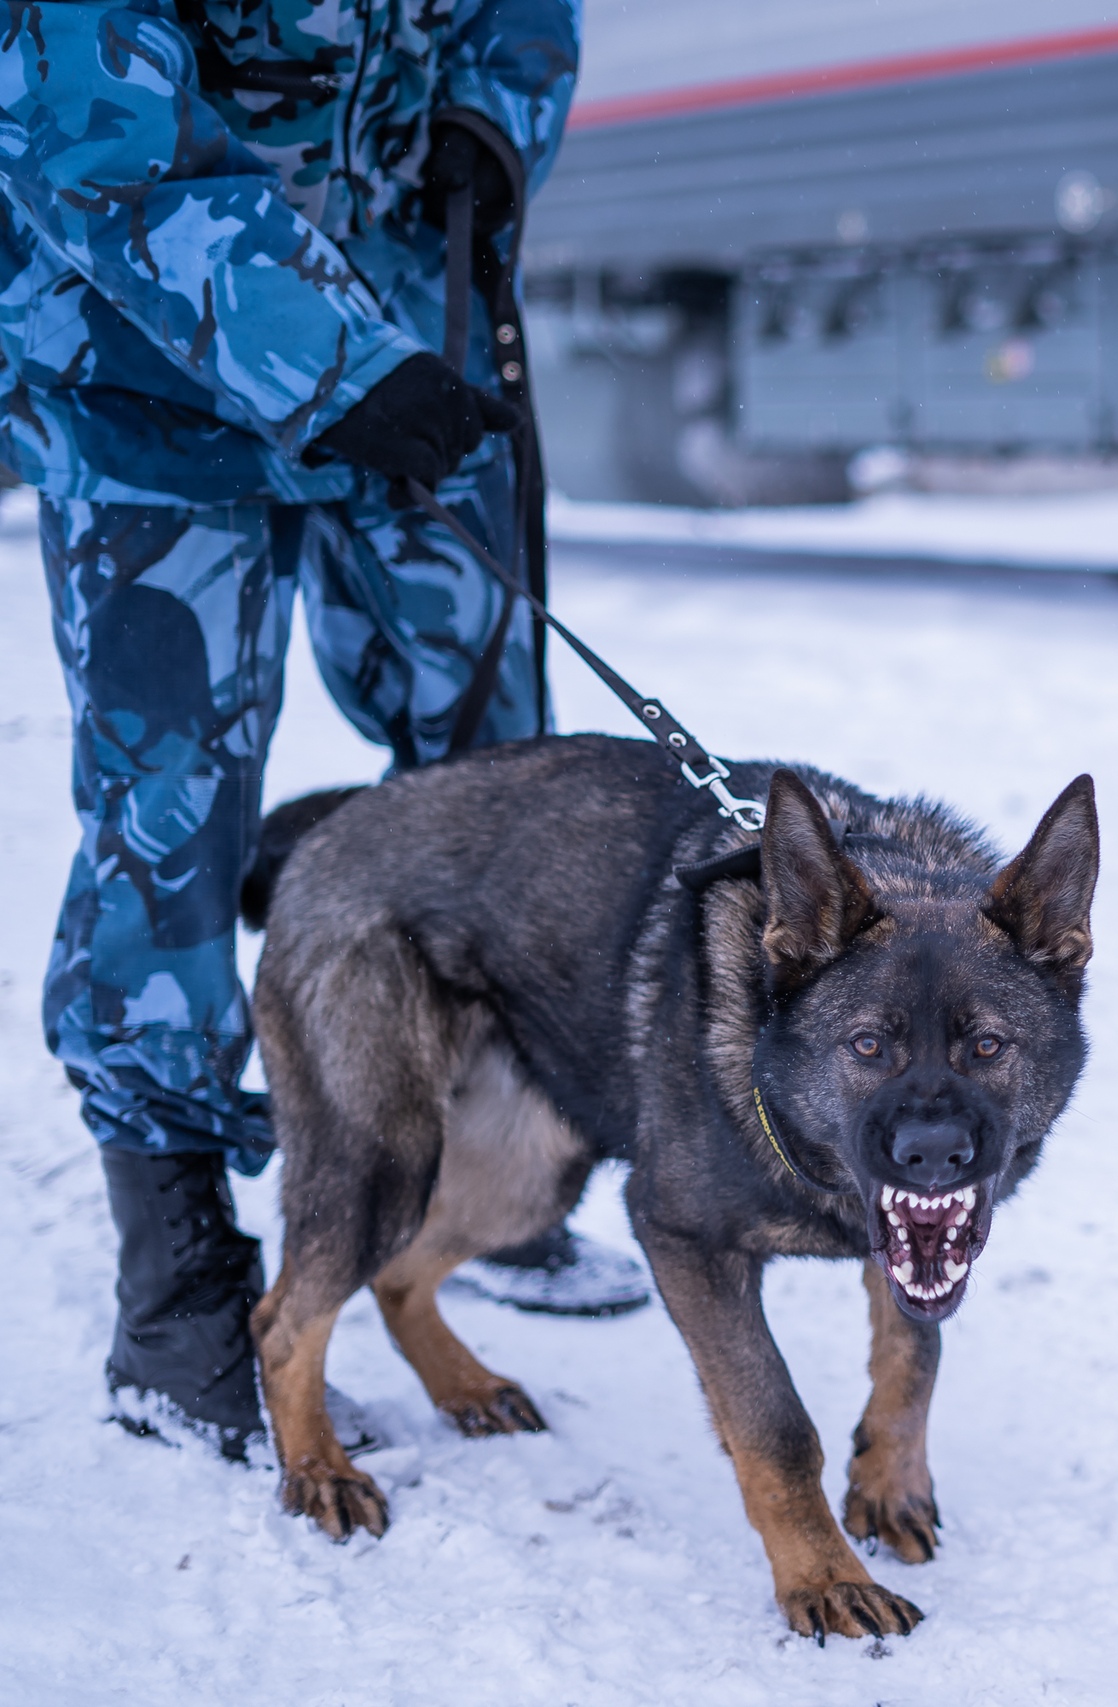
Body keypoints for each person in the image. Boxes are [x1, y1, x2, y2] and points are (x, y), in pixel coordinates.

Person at [1, 0, 648, 1461]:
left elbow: (519, 16)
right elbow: (99, 145)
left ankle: (491, 1177)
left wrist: (492, 123)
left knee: (499, 770)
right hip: (146, 379)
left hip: (409, 321)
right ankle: (175, 1293)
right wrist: (330, 364)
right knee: (171, 812)